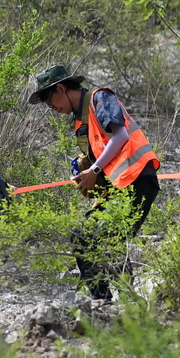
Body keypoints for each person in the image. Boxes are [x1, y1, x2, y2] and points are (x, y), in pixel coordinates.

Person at [28, 65, 161, 302]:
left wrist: (94, 169)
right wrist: (85, 172)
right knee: (81, 235)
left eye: (50, 101)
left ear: (61, 88)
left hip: (138, 180)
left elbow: (121, 136)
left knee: (110, 238)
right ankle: (102, 301)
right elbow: (101, 158)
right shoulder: (80, 121)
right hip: (118, 190)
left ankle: (129, 302)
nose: (52, 108)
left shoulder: (100, 98)